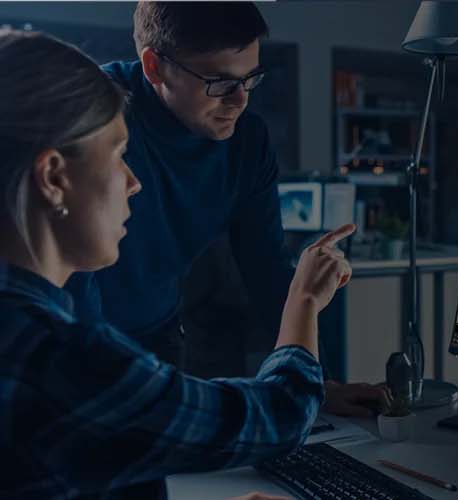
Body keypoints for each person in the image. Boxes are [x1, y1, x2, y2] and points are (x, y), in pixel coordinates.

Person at [0, 29, 354, 499]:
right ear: (53, 176)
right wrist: (306, 299)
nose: (133, 183)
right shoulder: (65, 361)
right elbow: (279, 416)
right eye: (118, 156)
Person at [60, 1, 387, 416]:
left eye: (250, 79)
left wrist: (318, 384)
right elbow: (68, 269)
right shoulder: (94, 118)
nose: (239, 101)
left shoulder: (247, 142)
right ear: (155, 67)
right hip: (73, 337)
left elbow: (266, 266)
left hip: (157, 335)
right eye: (219, 82)